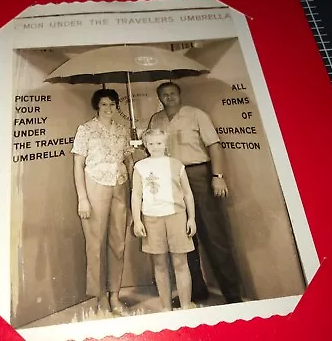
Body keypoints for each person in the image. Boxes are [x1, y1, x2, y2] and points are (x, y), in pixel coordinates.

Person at [148, 81, 242, 304]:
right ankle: (195, 291)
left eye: (172, 93)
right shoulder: (156, 119)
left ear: (180, 95)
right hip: (171, 178)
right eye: (164, 94)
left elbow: (214, 146)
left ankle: (232, 294)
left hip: (198, 174)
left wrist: (217, 177)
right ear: (159, 98)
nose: (169, 97)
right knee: (183, 238)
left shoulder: (196, 115)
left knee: (214, 235)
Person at [71, 88, 134, 315]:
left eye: (113, 104)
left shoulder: (121, 129)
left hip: (120, 185)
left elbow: (128, 159)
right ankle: (100, 298)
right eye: (104, 104)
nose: (109, 108)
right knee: (96, 244)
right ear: (97, 106)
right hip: (95, 185)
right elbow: (78, 165)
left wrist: (134, 189)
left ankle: (114, 296)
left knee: (118, 243)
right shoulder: (86, 130)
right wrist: (83, 199)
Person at [131, 129, 196, 311]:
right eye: (151, 143)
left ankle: (185, 306)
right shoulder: (140, 167)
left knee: (180, 262)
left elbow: (188, 194)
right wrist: (137, 220)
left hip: (176, 216)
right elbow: (136, 195)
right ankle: (166, 308)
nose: (155, 147)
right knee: (159, 264)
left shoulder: (176, 165)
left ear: (165, 143)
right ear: (145, 145)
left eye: (159, 143)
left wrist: (191, 218)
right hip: (152, 218)